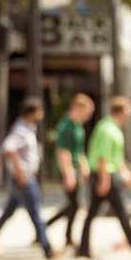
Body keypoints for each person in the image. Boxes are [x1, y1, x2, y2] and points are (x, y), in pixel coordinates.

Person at [0, 97, 56, 260]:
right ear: (33, 112)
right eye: (40, 111)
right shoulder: (21, 129)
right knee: (36, 213)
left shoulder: (28, 128)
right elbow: (8, 149)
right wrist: (20, 171)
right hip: (25, 179)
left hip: (23, 178)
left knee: (8, 213)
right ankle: (48, 249)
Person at [77, 96, 131, 258]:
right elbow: (103, 157)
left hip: (108, 174)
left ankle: (84, 248)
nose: (130, 114)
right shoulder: (107, 129)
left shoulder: (112, 127)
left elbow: (116, 157)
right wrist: (105, 180)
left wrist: (125, 172)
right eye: (128, 110)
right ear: (121, 111)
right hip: (104, 175)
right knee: (118, 212)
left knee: (99, 213)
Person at [43, 93, 95, 247]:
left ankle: (49, 230)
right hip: (68, 170)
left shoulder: (78, 125)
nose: (89, 115)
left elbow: (78, 150)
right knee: (74, 205)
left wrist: (84, 165)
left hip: (76, 168)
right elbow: (63, 151)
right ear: (78, 108)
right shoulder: (66, 126)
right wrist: (69, 173)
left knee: (73, 205)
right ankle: (58, 233)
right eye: (87, 112)